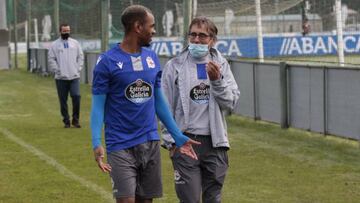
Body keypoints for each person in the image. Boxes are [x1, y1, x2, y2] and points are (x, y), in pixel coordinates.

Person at [90, 5, 200, 203]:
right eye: (152, 26)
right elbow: (98, 106)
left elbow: (158, 100)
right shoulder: (107, 62)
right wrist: (97, 142)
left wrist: (177, 135)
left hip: (150, 142)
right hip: (120, 144)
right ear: (138, 27)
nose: (154, 31)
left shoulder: (151, 58)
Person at [161, 16, 240, 203]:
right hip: (185, 141)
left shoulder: (221, 65)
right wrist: (171, 141)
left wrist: (216, 81)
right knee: (189, 199)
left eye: (202, 36)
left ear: (212, 40)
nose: (196, 40)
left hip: (215, 143)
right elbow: (164, 106)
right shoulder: (174, 66)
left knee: (213, 199)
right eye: (193, 35)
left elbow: (231, 102)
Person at [48, 23, 84, 128]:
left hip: (74, 77)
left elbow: (80, 57)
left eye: (68, 30)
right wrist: (57, 70)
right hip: (61, 78)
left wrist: (78, 68)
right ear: (60, 31)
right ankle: (66, 120)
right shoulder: (55, 45)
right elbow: (51, 58)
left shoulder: (75, 43)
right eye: (64, 31)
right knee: (63, 100)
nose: (66, 33)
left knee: (76, 96)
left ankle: (75, 120)